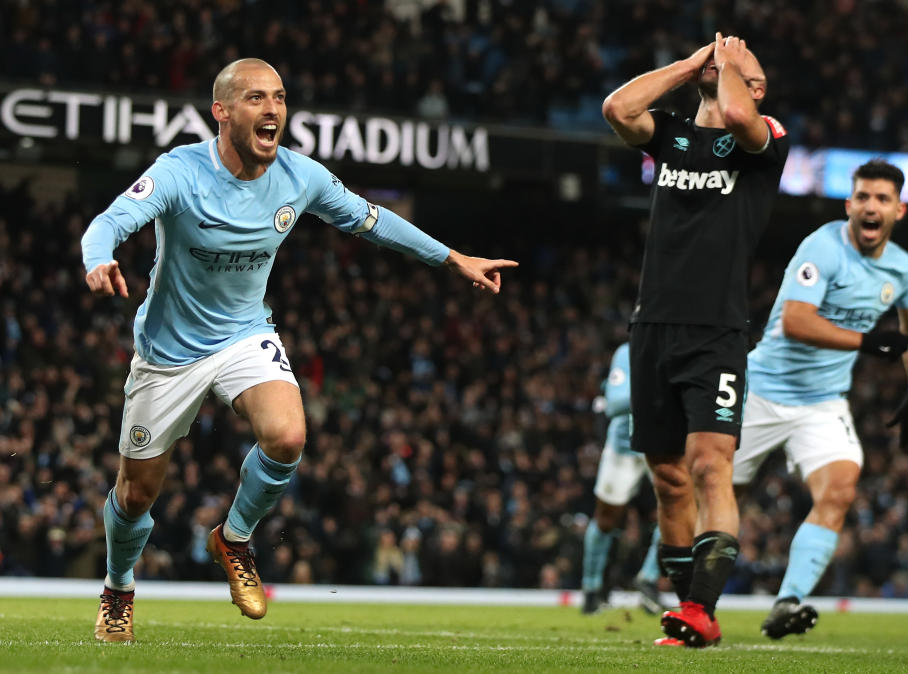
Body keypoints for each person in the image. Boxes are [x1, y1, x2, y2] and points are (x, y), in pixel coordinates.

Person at [82, 58, 518, 642]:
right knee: (136, 496)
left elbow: (374, 220)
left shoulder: (299, 176)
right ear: (222, 111)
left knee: (288, 437)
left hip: (244, 334)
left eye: (281, 98)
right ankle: (118, 587)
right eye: (257, 99)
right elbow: (108, 222)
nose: (273, 110)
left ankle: (233, 539)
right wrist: (98, 259)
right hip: (169, 350)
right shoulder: (180, 171)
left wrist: (453, 257)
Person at [602, 33, 789, 647]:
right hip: (651, 325)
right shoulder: (673, 135)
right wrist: (690, 66)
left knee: (710, 466)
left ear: (756, 87)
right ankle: (689, 617)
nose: (721, 59)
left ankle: (704, 609)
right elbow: (618, 111)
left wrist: (731, 66)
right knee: (668, 478)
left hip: (716, 331)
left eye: (738, 65)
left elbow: (737, 114)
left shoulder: (763, 139)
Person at [734, 159, 908, 638]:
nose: (871, 206)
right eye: (862, 197)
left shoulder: (902, 269)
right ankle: (666, 566)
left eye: (882, 199)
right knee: (719, 490)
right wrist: (865, 342)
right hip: (762, 389)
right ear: (849, 205)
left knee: (840, 489)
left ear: (899, 210)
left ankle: (788, 602)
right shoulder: (822, 246)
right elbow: (796, 321)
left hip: (822, 401)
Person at [581, 342, 664, 615]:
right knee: (606, 518)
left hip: (665, 443)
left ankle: (649, 580)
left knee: (678, 510)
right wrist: (663, 395)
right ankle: (591, 588)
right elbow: (614, 404)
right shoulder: (628, 351)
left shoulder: (683, 346)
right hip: (625, 443)